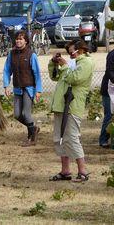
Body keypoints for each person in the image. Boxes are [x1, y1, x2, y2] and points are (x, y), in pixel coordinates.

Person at [48, 39, 94, 182]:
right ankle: (65, 171)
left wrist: (66, 66)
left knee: (72, 138)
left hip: (73, 106)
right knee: (60, 138)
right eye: (68, 53)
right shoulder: (72, 63)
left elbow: (75, 79)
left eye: (71, 52)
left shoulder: (86, 63)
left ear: (80, 49)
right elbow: (55, 77)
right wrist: (54, 63)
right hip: (61, 105)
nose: (70, 55)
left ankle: (82, 171)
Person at [3, 31, 42, 147]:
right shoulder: (11, 54)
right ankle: (33, 128)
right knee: (17, 114)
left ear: (26, 41)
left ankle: (31, 138)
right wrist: (6, 86)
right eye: (17, 39)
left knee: (26, 113)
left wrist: (38, 91)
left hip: (29, 88)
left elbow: (37, 74)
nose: (18, 41)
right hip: (17, 88)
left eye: (21, 39)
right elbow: (6, 70)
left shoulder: (31, 55)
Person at [99, 49, 114, 148]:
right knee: (109, 115)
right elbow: (110, 71)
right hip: (109, 89)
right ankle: (103, 139)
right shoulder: (112, 55)